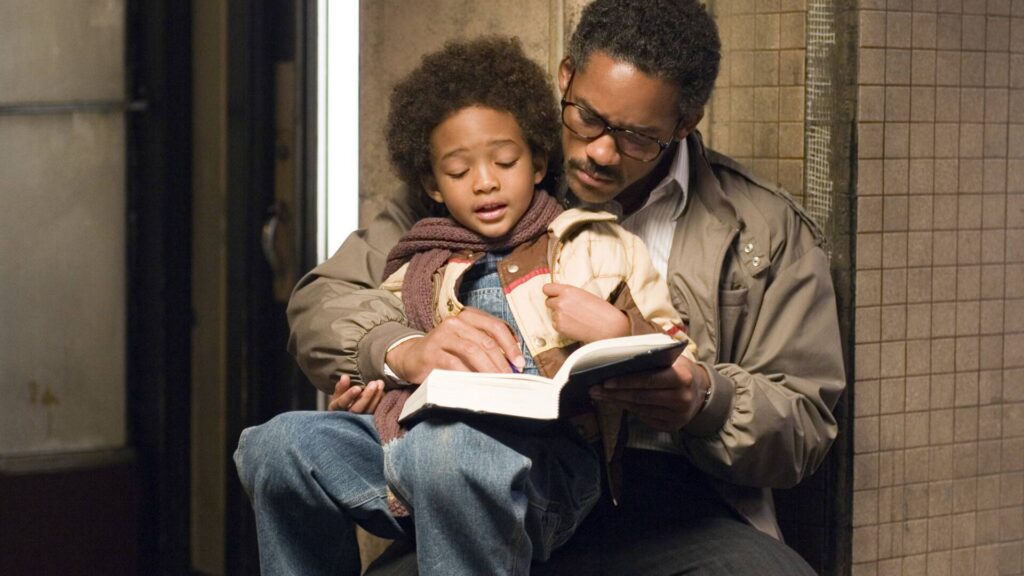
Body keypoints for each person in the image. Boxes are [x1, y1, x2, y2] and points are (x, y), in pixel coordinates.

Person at [238, 0, 846, 574]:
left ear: (684, 123)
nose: (600, 151)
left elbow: (804, 427)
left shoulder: (762, 229)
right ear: (566, 77)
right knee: (316, 453)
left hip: (673, 499)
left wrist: (704, 399)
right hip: (471, 476)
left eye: (637, 136)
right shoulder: (489, 171)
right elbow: (322, 304)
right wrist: (400, 352)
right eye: (587, 117)